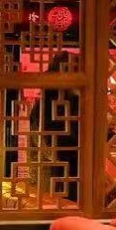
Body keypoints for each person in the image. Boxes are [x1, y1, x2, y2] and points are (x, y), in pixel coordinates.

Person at [30, 52, 80, 203]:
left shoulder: (72, 102)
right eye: (74, 70)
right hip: (56, 180)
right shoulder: (47, 106)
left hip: (69, 177)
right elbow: (50, 146)